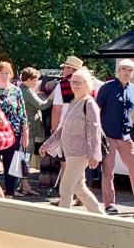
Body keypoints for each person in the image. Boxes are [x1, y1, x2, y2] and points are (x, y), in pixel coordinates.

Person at [40, 69, 104, 214]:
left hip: (80, 153)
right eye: (73, 82)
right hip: (70, 153)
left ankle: (63, 220)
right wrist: (47, 144)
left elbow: (94, 130)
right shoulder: (74, 101)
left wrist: (94, 154)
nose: (75, 85)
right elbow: (63, 128)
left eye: (79, 82)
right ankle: (102, 217)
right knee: (79, 188)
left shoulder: (89, 104)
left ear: (87, 84)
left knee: (65, 188)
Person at [96, 58, 134, 215]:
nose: (127, 72)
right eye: (124, 69)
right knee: (108, 171)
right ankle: (109, 204)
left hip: (126, 136)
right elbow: (97, 111)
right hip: (108, 136)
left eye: (130, 70)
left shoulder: (133, 90)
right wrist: (98, 134)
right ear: (118, 70)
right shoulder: (106, 88)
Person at [0, 61, 29, 198]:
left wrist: (25, 133)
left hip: (13, 133)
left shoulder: (16, 91)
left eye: (7, 73)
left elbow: (22, 113)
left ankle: (9, 195)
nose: (4, 76)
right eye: (1, 73)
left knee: (11, 166)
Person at [18, 67, 50, 196]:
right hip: (28, 131)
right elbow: (41, 105)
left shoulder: (25, 90)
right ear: (29, 79)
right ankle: (25, 186)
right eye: (35, 80)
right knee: (25, 157)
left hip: (28, 129)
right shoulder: (25, 91)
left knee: (25, 157)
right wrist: (51, 98)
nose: (37, 82)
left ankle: (24, 185)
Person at [50, 55, 83, 130]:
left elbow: (56, 110)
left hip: (65, 128)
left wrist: (54, 129)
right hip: (83, 128)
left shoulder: (62, 85)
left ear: (70, 69)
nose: (62, 71)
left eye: (64, 68)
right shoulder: (89, 84)